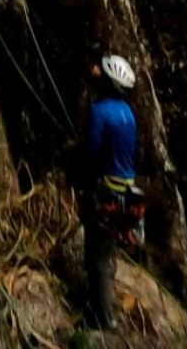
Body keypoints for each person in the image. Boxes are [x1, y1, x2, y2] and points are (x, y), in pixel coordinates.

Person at [83, 52, 138, 330]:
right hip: (128, 193)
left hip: (107, 192)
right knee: (108, 252)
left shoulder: (100, 111)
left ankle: (103, 321)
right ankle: (105, 310)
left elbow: (91, 153)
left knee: (97, 256)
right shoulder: (128, 114)